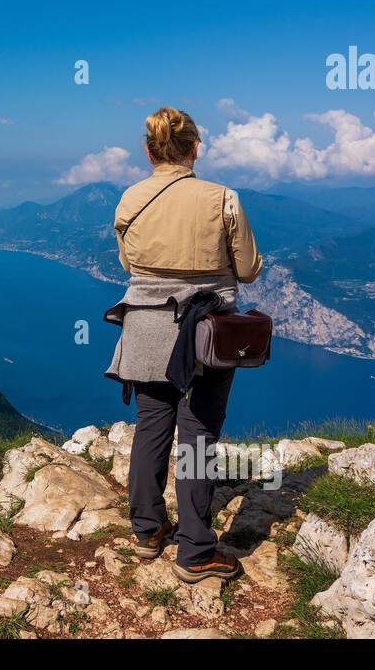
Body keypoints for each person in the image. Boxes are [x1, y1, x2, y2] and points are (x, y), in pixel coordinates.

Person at [103, 107, 263, 583]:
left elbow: (129, 262)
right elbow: (249, 268)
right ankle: (195, 550)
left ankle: (148, 531)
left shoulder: (129, 200)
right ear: (195, 148)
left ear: (149, 151)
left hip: (147, 329)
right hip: (206, 332)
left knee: (152, 426)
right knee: (198, 435)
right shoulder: (223, 199)